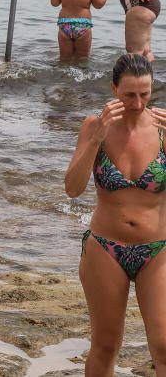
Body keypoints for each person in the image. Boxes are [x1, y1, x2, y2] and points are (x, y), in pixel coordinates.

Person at [65, 54, 166, 375]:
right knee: (106, 344)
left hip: (158, 250)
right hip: (105, 249)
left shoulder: (164, 129)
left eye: (145, 94)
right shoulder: (95, 126)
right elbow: (73, 188)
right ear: (113, 89)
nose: (138, 103)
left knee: (164, 344)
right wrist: (95, 140)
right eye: (129, 95)